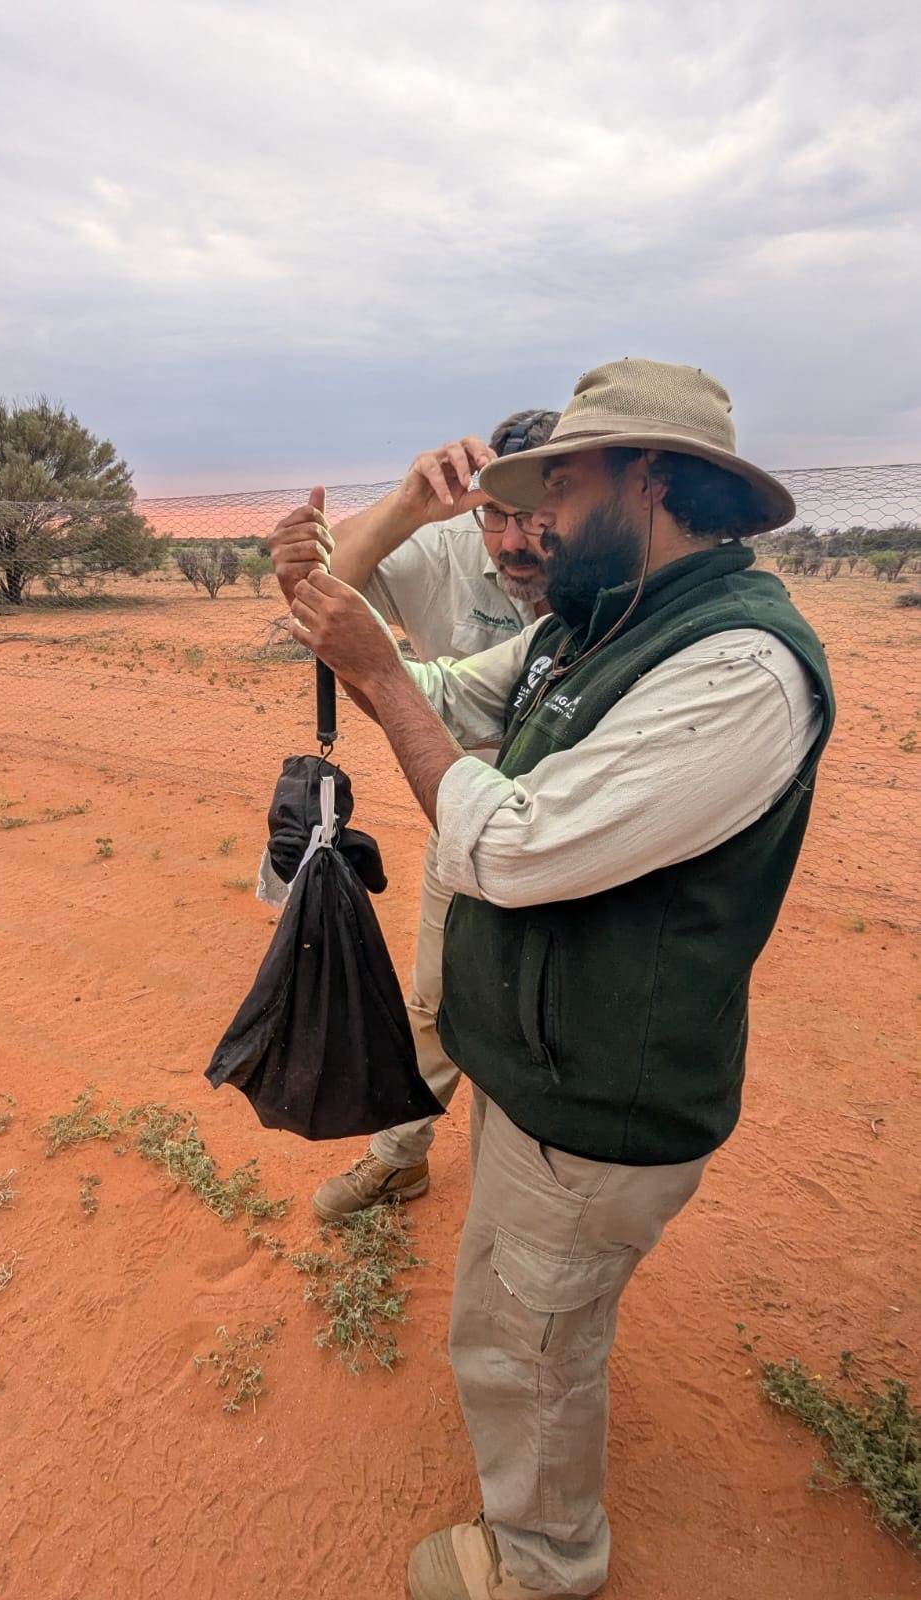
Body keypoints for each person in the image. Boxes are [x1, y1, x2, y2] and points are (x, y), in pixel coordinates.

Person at [271, 358, 836, 1600]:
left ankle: (541, 1560)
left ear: (648, 479)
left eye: (559, 487)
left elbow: (511, 848)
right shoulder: (592, 625)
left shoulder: (734, 668)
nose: (533, 523)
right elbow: (438, 698)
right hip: (541, 1063)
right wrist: (346, 628)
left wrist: (371, 673)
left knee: (527, 1337)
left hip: (598, 1097)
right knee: (524, 1304)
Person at [269, 408, 560, 1221]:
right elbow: (326, 600)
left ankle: (536, 1206)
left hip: (574, 839)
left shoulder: (606, 573)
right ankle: (401, 1159)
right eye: (497, 514)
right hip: (460, 817)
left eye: (539, 518)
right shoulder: (446, 545)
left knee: (547, 1028)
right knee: (433, 1000)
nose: (514, 541)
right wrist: (406, 506)